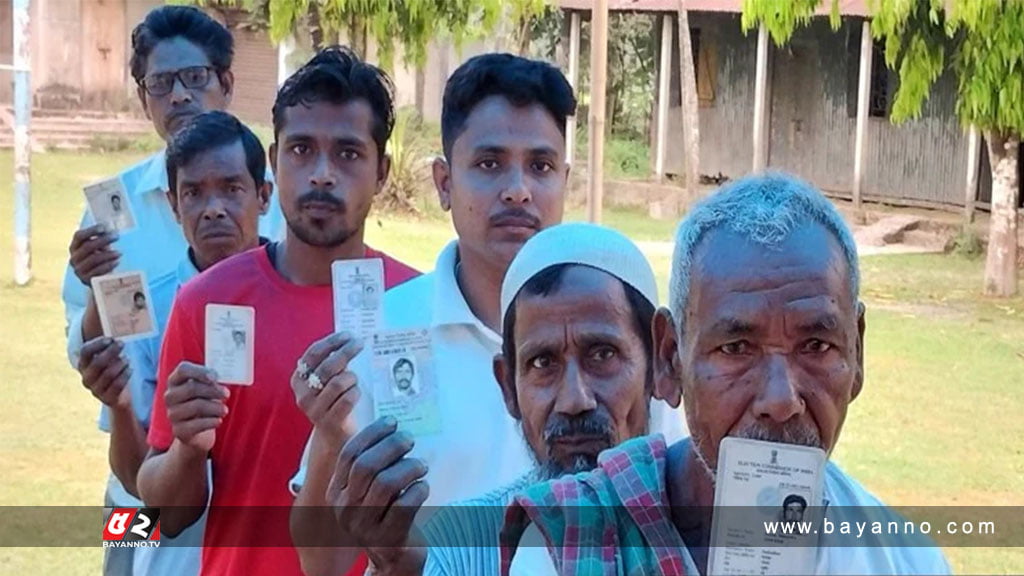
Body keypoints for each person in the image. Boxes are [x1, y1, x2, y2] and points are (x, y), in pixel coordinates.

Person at [288, 53, 687, 575]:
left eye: (540, 166)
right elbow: (322, 560)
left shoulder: (630, 332)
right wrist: (332, 431)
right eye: (489, 163)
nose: (518, 189)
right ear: (444, 182)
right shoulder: (380, 333)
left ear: (565, 180)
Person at [498, 173, 951, 575]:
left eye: (816, 346)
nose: (780, 400)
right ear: (671, 359)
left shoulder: (904, 558)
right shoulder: (566, 548)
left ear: (857, 354)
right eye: (736, 349)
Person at [136, 46, 418, 576]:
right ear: (274, 160)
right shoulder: (206, 301)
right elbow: (164, 512)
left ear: (381, 172)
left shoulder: (416, 307)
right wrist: (188, 450)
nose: (321, 174)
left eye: (348, 154)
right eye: (302, 150)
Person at [62, 8, 285, 573]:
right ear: (143, 98)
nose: (179, 95)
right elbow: (87, 351)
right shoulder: (113, 205)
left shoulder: (281, 203)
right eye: (161, 83)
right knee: (129, 566)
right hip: (139, 481)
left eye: (194, 77)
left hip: (250, 485)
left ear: (226, 83)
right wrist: (92, 294)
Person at [412, 222, 682, 575]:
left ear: (660, 364)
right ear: (508, 386)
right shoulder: (459, 546)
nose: (574, 400)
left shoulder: (717, 525)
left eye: (602, 355)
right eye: (543, 363)